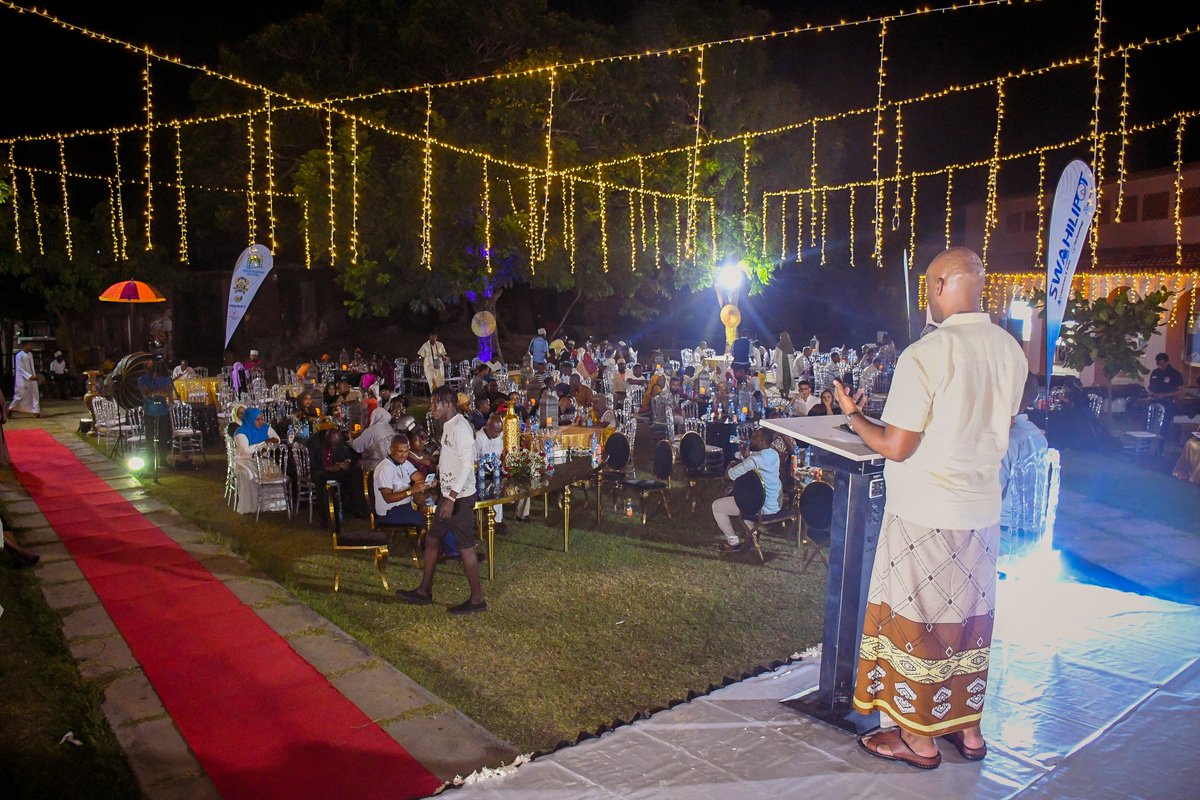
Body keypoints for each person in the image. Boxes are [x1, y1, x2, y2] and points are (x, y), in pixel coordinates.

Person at [833, 247, 1026, 769]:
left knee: (917, 625)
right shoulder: (1012, 350)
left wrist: (854, 418)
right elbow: (1000, 427)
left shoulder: (924, 355)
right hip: (982, 514)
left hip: (925, 513)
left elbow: (897, 445)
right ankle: (968, 731)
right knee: (967, 622)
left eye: (927, 287)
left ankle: (916, 739)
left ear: (941, 286)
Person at [396, 385, 486, 614]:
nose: (431, 406)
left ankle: (477, 599)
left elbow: (467, 464)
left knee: (465, 546)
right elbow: (452, 461)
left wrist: (451, 497)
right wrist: (439, 478)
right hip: (448, 495)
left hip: (459, 499)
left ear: (448, 403)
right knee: (434, 538)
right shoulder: (448, 426)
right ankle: (424, 591)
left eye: (436, 403)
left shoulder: (461, 428)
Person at [711, 428, 782, 553]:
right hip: (773, 504)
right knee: (746, 498)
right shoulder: (774, 454)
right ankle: (753, 537)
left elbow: (730, 475)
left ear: (763, 442)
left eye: (754, 438)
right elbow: (755, 464)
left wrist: (730, 465)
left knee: (717, 506)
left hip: (759, 508)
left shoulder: (754, 460)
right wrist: (746, 458)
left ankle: (733, 542)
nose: (751, 440)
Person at [999, 374, 1049, 531]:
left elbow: (992, 489)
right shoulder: (1037, 435)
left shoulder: (1007, 439)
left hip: (1005, 526)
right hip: (1032, 523)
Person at [233, 408, 283, 515]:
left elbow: (276, 439)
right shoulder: (241, 432)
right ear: (250, 419)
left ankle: (272, 505)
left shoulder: (266, 428)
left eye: (262, 419)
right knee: (248, 475)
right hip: (246, 461)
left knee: (275, 470)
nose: (261, 422)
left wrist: (267, 446)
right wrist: (265, 443)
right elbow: (246, 451)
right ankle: (252, 506)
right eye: (257, 419)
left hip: (263, 459)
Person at [373, 434, 429, 527]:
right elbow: (388, 498)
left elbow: (419, 478)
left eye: (407, 451)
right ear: (392, 449)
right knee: (428, 520)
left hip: (406, 506)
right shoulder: (385, 468)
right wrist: (412, 491)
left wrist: (429, 481)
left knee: (436, 515)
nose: (404, 455)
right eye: (400, 451)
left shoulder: (404, 463)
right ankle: (426, 540)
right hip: (390, 512)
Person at [474, 413, 507, 532]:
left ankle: (497, 521)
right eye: (495, 432)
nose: (498, 434)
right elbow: (474, 459)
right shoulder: (478, 438)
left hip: (496, 472)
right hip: (481, 475)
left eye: (500, 432)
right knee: (492, 489)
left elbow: (502, 454)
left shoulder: (499, 436)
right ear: (488, 427)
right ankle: (490, 521)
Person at [350, 407, 394, 472]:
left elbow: (357, 447)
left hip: (377, 464)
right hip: (391, 463)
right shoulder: (390, 428)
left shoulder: (372, 430)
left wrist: (349, 439)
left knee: (356, 463)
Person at [9, 340, 40, 418]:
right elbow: (20, 369)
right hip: (23, 380)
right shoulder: (19, 355)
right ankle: (10, 409)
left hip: (32, 379)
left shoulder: (30, 354)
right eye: (29, 345)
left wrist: (34, 376)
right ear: (24, 346)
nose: (31, 346)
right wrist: (29, 376)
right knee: (20, 396)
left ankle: (36, 411)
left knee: (35, 394)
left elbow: (31, 366)